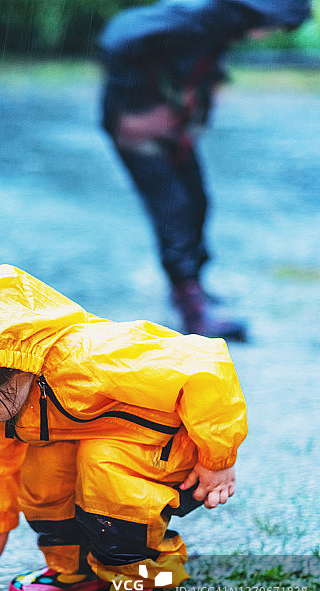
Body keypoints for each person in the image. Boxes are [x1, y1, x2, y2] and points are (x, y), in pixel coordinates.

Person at [0, 264, 247, 591]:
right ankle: (77, 567)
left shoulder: (91, 358)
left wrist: (217, 459)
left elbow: (205, 365)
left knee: (102, 464)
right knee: (42, 469)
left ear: (15, 367)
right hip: (106, 444)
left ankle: (144, 585)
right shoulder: (9, 405)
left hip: (171, 449)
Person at [99, 0, 311, 340]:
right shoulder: (200, 16)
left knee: (197, 201)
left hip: (172, 131)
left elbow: (191, 68)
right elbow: (117, 36)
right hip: (137, 129)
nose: (266, 35)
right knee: (174, 211)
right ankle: (192, 309)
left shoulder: (221, 28)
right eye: (273, 26)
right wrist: (142, 101)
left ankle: (191, 287)